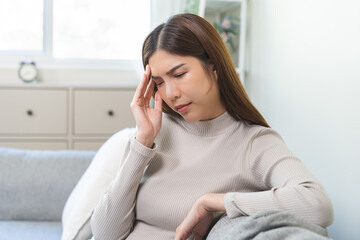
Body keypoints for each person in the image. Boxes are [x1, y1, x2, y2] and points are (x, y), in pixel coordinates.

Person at [90, 13, 334, 240]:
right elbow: (104, 234)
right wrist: (142, 142)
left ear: (214, 67)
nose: (171, 93)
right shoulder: (154, 135)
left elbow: (318, 205)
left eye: (179, 74)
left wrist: (213, 201)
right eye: (159, 83)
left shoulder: (253, 142)